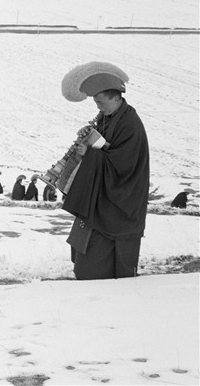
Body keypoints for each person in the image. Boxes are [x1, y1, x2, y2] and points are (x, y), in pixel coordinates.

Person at [60, 61, 150, 280]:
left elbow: (123, 163)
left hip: (120, 198)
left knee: (101, 250)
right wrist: (89, 136)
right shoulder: (109, 117)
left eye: (100, 102)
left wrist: (89, 153)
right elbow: (104, 142)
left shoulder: (130, 124)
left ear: (116, 97)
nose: (98, 107)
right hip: (102, 193)